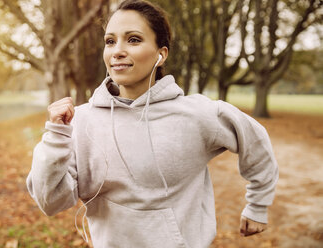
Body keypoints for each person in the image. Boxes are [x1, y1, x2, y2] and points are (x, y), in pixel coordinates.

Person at [26, 0, 279, 247]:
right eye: (110, 41)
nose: (117, 51)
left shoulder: (196, 114)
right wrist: (56, 136)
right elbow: (50, 202)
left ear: (161, 54)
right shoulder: (80, 121)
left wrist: (257, 204)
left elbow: (254, 141)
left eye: (133, 39)